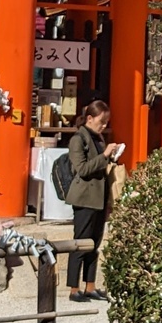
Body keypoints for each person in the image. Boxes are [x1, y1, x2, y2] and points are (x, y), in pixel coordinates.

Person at [64, 100, 124, 301]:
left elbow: (100, 165)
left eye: (107, 122)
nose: (104, 125)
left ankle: (90, 285)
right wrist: (105, 155)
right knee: (80, 243)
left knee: (94, 244)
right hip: (84, 198)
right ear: (90, 118)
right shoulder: (78, 139)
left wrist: (111, 156)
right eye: (102, 121)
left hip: (99, 196)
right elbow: (82, 169)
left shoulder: (98, 137)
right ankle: (73, 288)